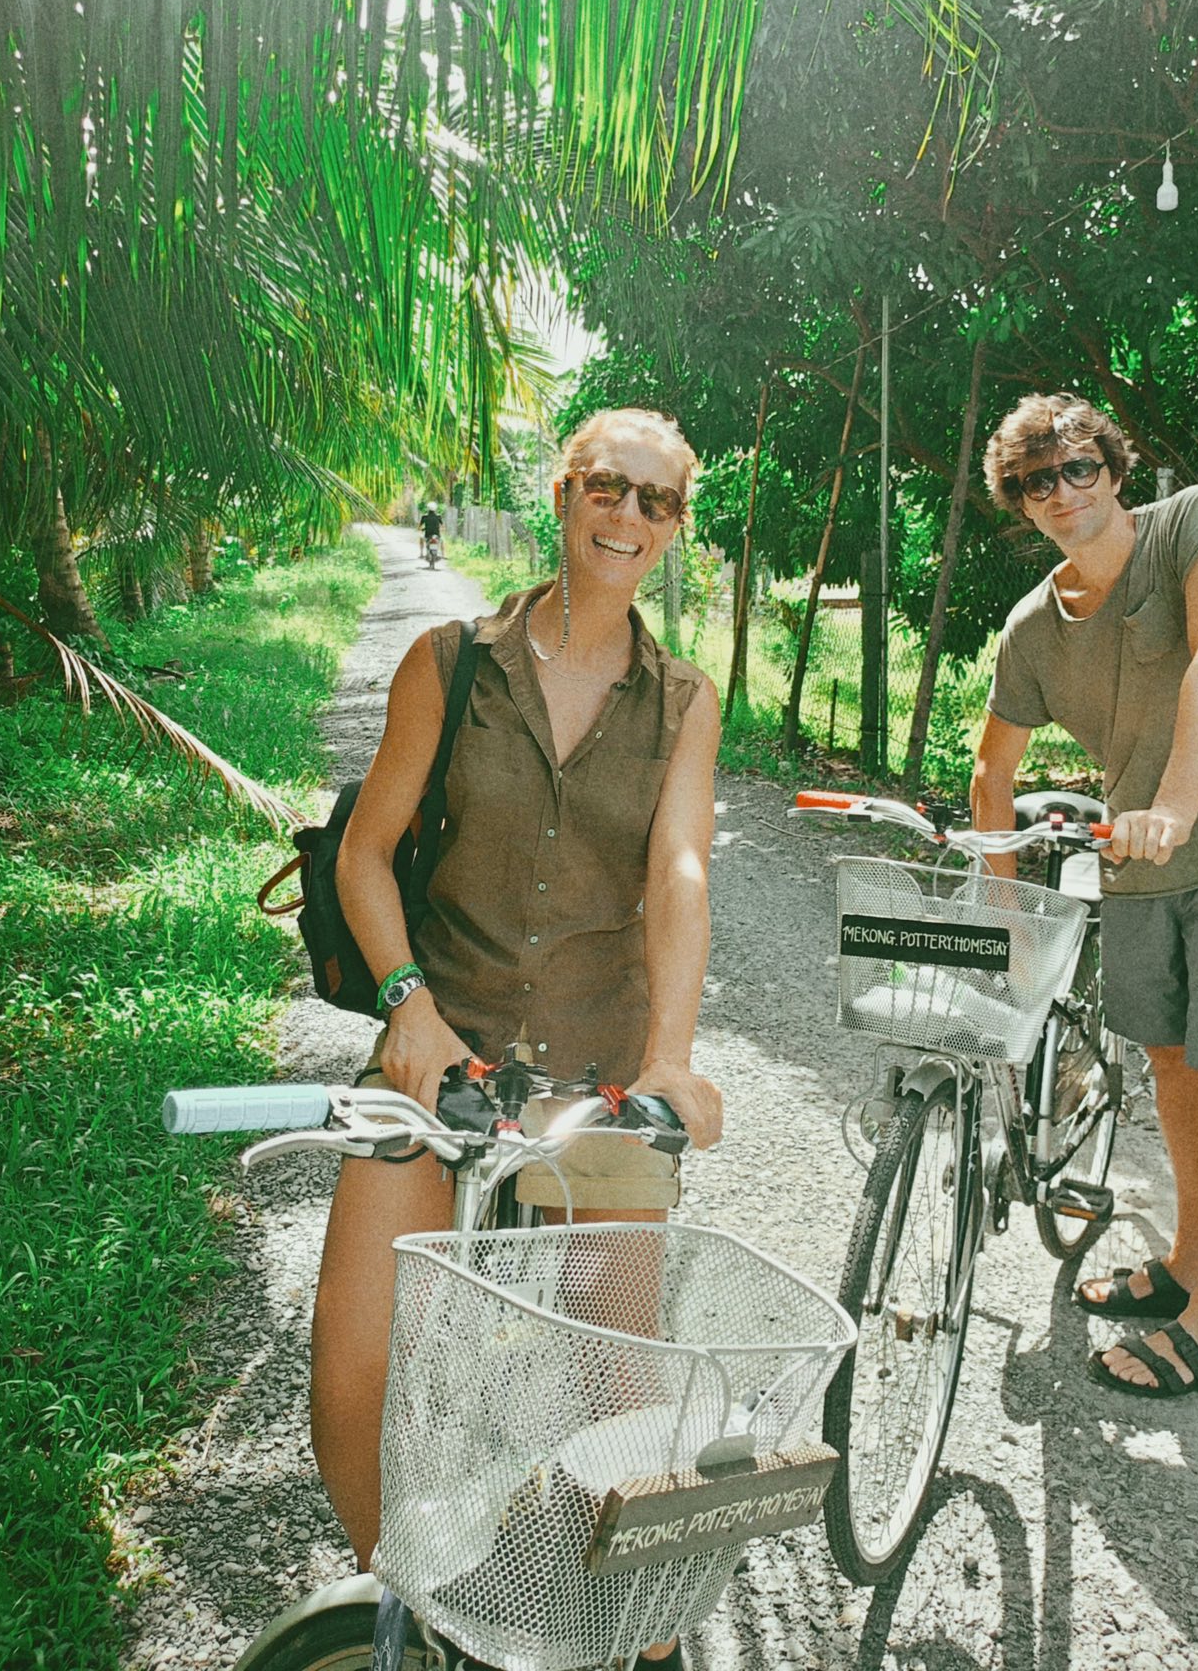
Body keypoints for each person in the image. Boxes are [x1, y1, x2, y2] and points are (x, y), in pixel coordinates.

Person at [315, 408, 722, 1663]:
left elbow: (683, 870)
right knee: (355, 1376)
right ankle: (428, 1617)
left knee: (622, 1403)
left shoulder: (685, 699)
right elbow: (365, 853)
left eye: (657, 502)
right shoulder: (450, 659)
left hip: (597, 1079)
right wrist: (407, 1005)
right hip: (447, 1056)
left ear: (675, 530)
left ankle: (638, 1643)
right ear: (563, 494)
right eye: (608, 486)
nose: (628, 517)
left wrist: (670, 1061)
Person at [971, 393, 1198, 1400]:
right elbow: (990, 774)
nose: (1062, 492)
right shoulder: (1033, 629)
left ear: (1116, 470)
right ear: (1021, 503)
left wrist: (1171, 807)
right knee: (1171, 1066)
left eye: (1079, 467)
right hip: (1135, 867)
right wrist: (1009, 919)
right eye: (1037, 481)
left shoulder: (1194, 524)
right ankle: (1185, 1261)